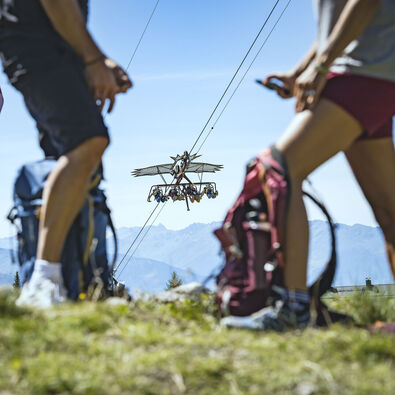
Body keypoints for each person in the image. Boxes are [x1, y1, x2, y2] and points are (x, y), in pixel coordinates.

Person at [223, 0, 395, 330]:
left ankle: (292, 310)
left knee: (278, 167)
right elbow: (337, 22)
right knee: (389, 211)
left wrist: (321, 67)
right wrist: (303, 70)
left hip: (360, 72)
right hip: (374, 71)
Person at [0, 0, 132, 307]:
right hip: (35, 45)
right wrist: (93, 59)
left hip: (48, 46)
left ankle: (76, 280)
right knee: (87, 141)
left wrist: (97, 60)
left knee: (69, 159)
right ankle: (44, 280)